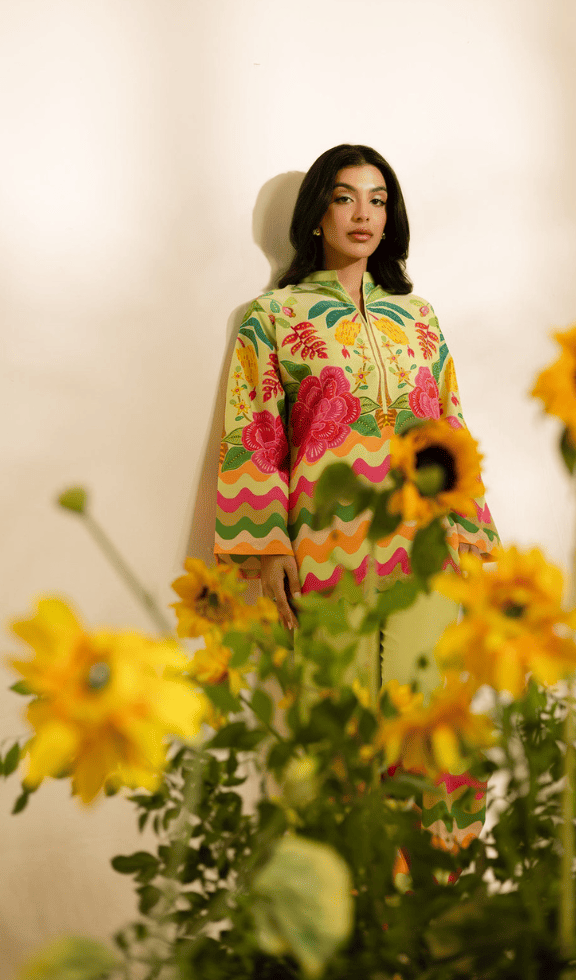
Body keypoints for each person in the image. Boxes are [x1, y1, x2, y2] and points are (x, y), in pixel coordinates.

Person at [215, 144, 499, 850]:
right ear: (317, 214)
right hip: (326, 552)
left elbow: (450, 426)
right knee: (335, 730)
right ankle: (345, 928)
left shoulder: (420, 318)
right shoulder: (271, 318)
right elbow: (253, 432)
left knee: (432, 720)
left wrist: (474, 536)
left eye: (377, 199)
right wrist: (266, 545)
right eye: (345, 197)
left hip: (426, 548)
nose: (363, 213)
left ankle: (441, 911)